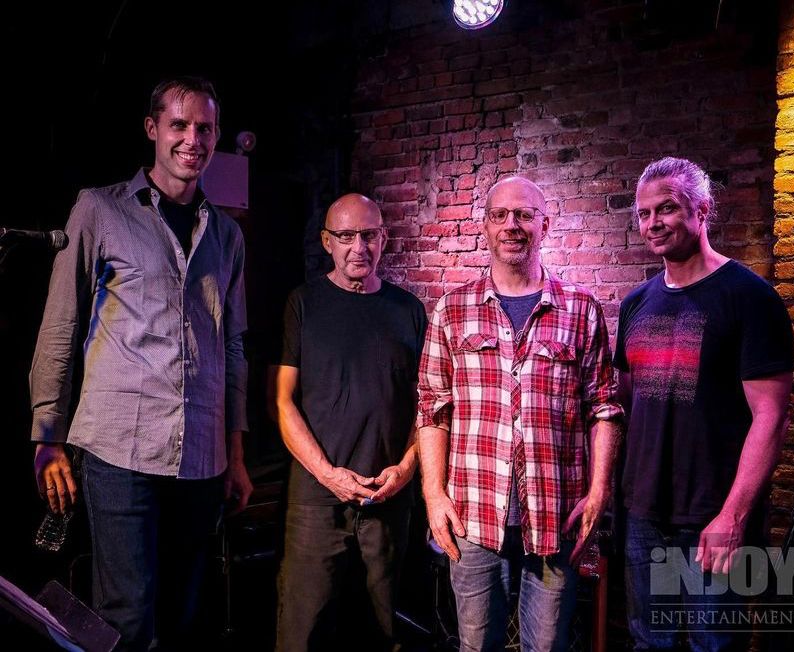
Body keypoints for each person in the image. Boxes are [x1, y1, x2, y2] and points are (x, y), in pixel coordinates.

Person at [30, 76, 253, 651]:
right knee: (127, 618)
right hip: (120, 450)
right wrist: (48, 436)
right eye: (179, 125)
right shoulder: (100, 209)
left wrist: (235, 453)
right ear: (153, 129)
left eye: (205, 128)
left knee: (183, 615)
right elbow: (61, 322)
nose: (193, 139)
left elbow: (231, 348)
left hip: (201, 456)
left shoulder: (227, 235)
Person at [418, 176, 624, 651]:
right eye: (500, 215)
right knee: (476, 646)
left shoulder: (580, 309)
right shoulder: (452, 309)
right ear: (486, 227)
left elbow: (604, 407)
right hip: (472, 517)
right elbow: (431, 406)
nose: (511, 225)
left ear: (544, 225)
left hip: (557, 517)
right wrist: (433, 494)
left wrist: (599, 492)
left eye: (524, 215)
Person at [615, 156, 794, 651]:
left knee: (713, 645)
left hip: (713, 517)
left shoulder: (749, 297)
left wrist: (733, 516)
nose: (653, 223)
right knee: (649, 643)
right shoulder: (635, 304)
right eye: (644, 213)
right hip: (643, 514)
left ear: (702, 210)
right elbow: (627, 406)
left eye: (667, 208)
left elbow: (771, 418)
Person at [274, 193, 426, 652]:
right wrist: (327, 474)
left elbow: (428, 404)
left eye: (369, 235)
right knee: (304, 630)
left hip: (388, 495)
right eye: (345, 236)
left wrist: (407, 468)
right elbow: (282, 402)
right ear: (327, 241)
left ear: (384, 239)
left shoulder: (409, 310)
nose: (359, 247)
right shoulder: (303, 303)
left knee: (382, 631)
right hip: (316, 500)